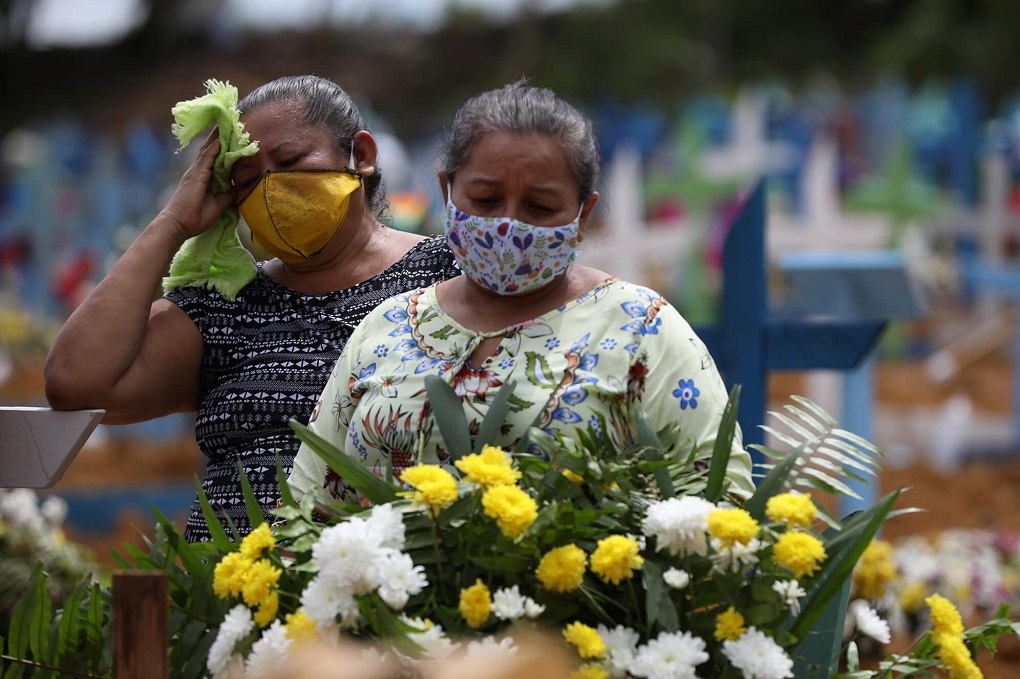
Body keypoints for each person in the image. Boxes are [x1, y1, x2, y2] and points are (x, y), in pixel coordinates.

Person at [288, 80, 753, 506]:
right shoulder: (386, 329)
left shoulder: (639, 327)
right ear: (447, 193)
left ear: (583, 213)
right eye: (486, 201)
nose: (509, 224)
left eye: (540, 206)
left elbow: (717, 503)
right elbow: (309, 508)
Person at [44, 75, 462, 542]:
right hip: (228, 593)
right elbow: (74, 383)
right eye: (246, 180)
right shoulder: (223, 308)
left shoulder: (447, 275)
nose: (269, 187)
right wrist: (173, 222)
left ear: (361, 156)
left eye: (290, 161)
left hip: (387, 584)